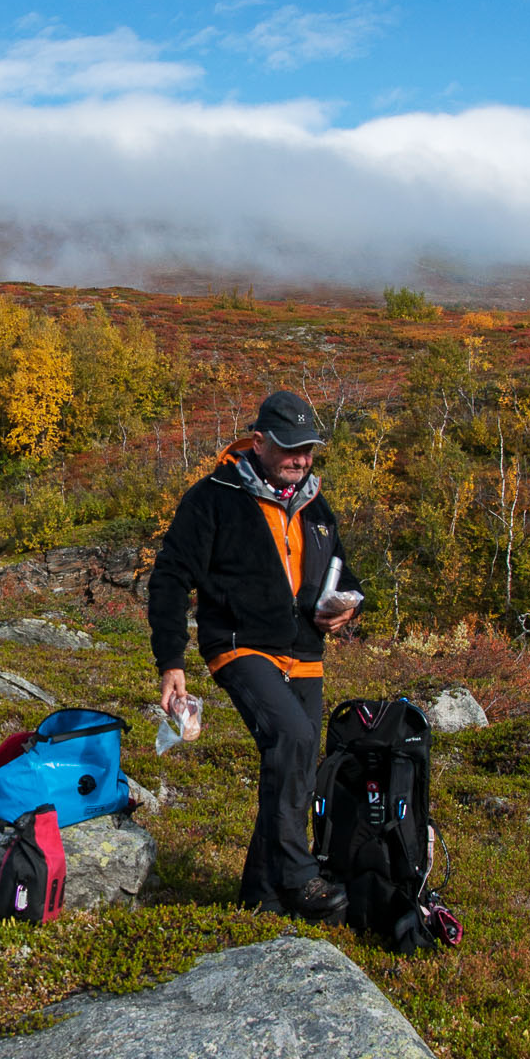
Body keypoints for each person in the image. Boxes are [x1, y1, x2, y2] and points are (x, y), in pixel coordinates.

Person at [148, 390, 363, 921]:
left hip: (305, 653)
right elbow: (171, 578)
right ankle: (298, 874)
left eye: (309, 449)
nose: (301, 460)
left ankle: (259, 896)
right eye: (291, 449)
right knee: (291, 738)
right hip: (240, 645)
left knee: (294, 760)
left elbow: (343, 570)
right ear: (260, 442)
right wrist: (171, 661)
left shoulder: (315, 504)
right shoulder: (214, 496)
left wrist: (349, 606)